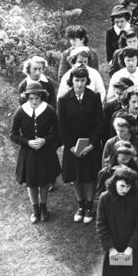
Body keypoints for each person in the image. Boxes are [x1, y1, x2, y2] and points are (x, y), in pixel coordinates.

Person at [57, 65, 106, 225]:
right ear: (71, 81)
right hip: (73, 147)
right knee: (76, 177)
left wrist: (91, 144)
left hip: (90, 146)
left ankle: (90, 206)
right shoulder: (64, 100)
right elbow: (62, 126)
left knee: (90, 177)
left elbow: (100, 123)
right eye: (76, 80)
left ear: (87, 81)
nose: (79, 84)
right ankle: (81, 205)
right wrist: (71, 146)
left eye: (82, 80)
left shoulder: (94, 97)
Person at [10, 81, 62, 223]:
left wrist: (45, 140)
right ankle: (35, 209)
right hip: (29, 153)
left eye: (37, 98)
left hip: (45, 152)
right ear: (26, 97)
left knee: (44, 181)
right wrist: (27, 142)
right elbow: (13, 135)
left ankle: (44, 206)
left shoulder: (49, 110)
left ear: (41, 97)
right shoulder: (20, 112)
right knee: (31, 182)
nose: (33, 102)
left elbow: (57, 131)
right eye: (31, 98)